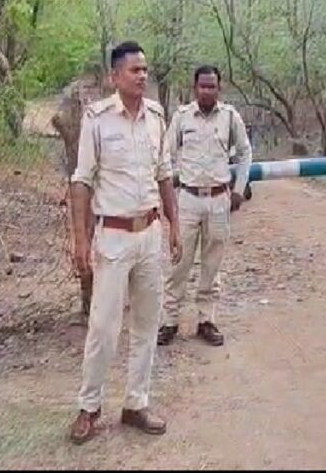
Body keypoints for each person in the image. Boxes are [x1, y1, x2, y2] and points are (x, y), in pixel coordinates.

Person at [67, 41, 182, 445]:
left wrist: (174, 224)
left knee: (147, 324)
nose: (142, 76)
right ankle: (89, 407)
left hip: (149, 233)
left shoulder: (156, 117)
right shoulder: (97, 119)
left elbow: (164, 173)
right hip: (113, 237)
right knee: (103, 327)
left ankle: (136, 403)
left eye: (145, 69)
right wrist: (80, 241)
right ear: (114, 76)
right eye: (134, 70)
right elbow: (81, 182)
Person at [158, 65, 252, 347]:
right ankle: (169, 321)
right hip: (188, 199)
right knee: (180, 261)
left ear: (219, 89)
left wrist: (238, 189)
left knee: (212, 263)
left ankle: (206, 321)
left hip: (219, 200)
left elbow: (245, 152)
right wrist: (166, 192)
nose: (207, 91)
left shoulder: (230, 117)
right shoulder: (182, 117)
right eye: (203, 86)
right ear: (194, 88)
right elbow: (165, 154)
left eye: (212, 86)